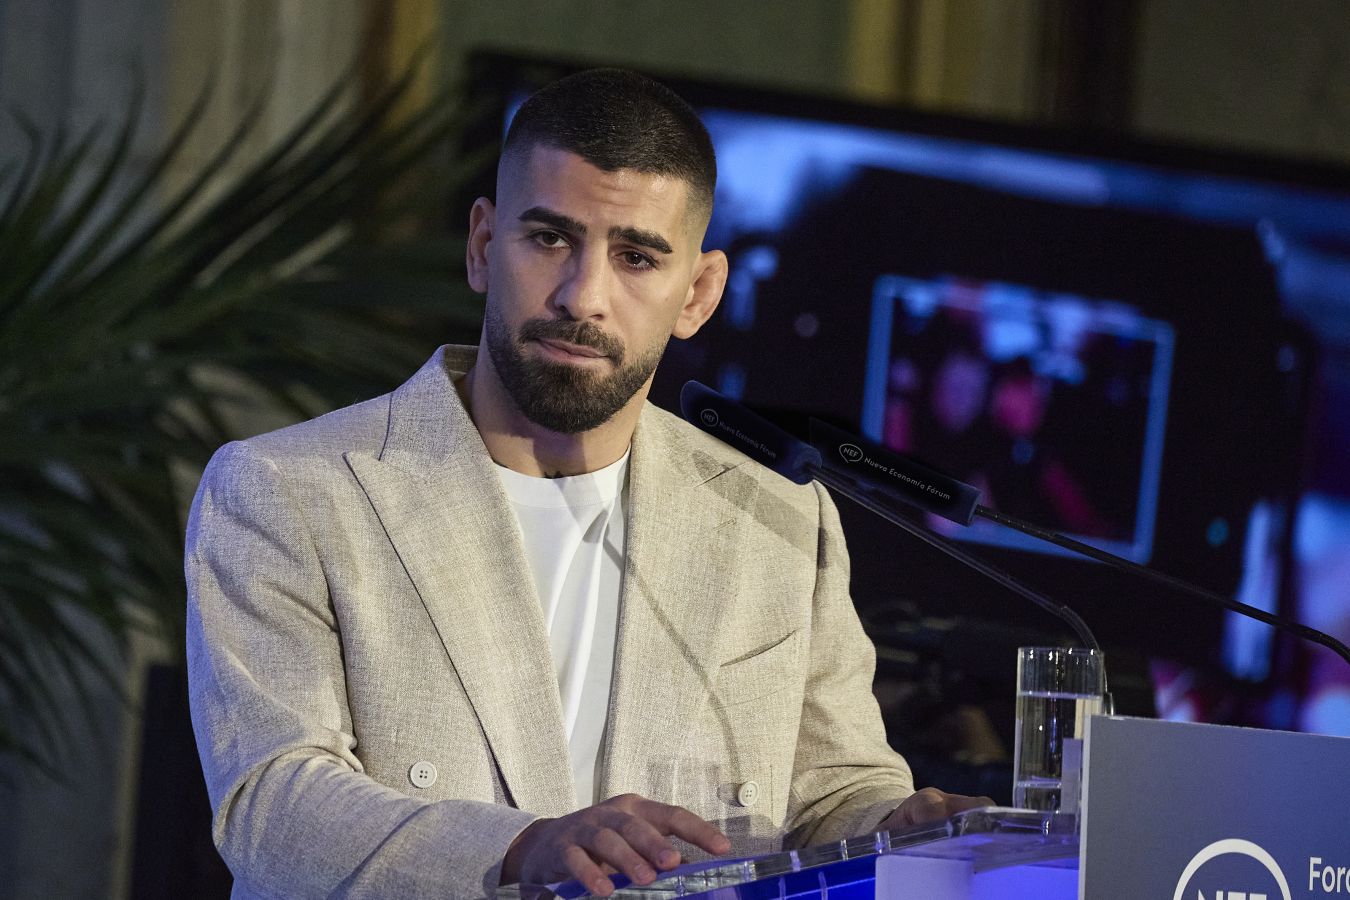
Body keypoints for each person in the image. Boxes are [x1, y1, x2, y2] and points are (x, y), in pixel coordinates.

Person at [186, 68, 988, 900]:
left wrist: (905, 827)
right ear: (482, 246)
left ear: (699, 294)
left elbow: (830, 796)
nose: (584, 296)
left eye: (636, 257)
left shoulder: (778, 515)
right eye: (549, 240)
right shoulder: (291, 490)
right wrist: (522, 848)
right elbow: (271, 807)